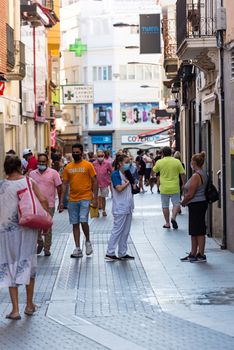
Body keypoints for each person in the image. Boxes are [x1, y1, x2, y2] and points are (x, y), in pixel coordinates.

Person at [0, 156, 48, 320]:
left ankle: (15, 310)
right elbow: (43, 200)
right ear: (20, 167)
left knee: (10, 266)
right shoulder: (29, 181)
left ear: (6, 168)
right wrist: (44, 221)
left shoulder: (1, 185)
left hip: (6, 233)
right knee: (28, 264)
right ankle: (29, 305)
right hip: (27, 230)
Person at [59, 143, 98, 258]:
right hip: (72, 199)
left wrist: (95, 198)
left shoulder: (88, 165)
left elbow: (95, 181)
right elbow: (64, 184)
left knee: (83, 220)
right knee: (75, 223)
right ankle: (77, 248)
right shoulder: (68, 167)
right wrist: (61, 201)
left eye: (77, 152)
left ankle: (87, 241)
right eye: (74, 152)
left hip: (85, 197)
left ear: (81, 152)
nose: (75, 154)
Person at [30, 153, 62, 256]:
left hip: (50, 205)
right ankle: (40, 242)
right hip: (36, 204)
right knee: (36, 226)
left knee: (48, 226)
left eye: (43, 162)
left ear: (47, 162)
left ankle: (47, 248)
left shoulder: (54, 173)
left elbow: (59, 188)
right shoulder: (32, 174)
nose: (41, 163)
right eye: (40, 162)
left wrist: (60, 202)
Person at [180, 151, 208, 263]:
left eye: (191, 161)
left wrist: (183, 202)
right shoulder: (203, 173)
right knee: (195, 230)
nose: (190, 163)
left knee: (198, 230)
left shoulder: (197, 175)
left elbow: (191, 194)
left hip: (196, 204)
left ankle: (200, 254)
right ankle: (193, 253)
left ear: (194, 163)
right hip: (199, 204)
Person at [105, 155, 134, 261]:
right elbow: (118, 188)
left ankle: (122, 252)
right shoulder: (115, 174)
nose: (128, 164)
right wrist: (127, 184)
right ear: (120, 163)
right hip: (120, 207)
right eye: (126, 162)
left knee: (126, 231)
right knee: (117, 230)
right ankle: (110, 252)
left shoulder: (126, 173)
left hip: (128, 207)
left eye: (129, 162)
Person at [153, 146, 186, 229]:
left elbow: (155, 170)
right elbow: (182, 174)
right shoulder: (177, 161)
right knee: (176, 203)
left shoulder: (160, 162)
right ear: (171, 153)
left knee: (165, 206)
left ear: (163, 154)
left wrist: (160, 160)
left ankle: (167, 223)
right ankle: (173, 218)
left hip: (164, 188)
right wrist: (183, 184)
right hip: (175, 187)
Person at [93, 149, 112, 216]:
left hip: (105, 183)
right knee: (97, 197)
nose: (100, 157)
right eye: (99, 155)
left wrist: (109, 180)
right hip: (96, 183)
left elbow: (111, 171)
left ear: (103, 155)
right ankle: (97, 211)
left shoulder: (107, 163)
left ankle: (104, 210)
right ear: (96, 156)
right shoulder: (94, 163)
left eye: (101, 155)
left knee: (103, 197)